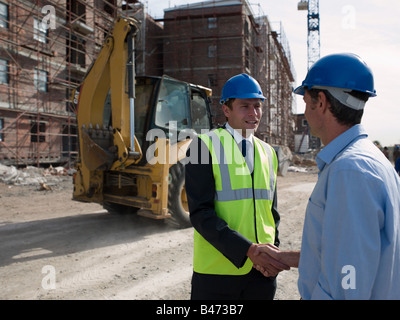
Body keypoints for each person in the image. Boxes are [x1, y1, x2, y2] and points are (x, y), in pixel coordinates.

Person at [256, 53, 400, 299]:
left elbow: (348, 282)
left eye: (305, 100)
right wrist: (287, 258)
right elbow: (353, 251)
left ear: (320, 102)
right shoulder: (372, 161)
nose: (304, 110)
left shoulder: (350, 171)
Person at [185, 73, 289, 300]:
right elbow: (201, 214)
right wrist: (247, 250)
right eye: (245, 106)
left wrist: (272, 253)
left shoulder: (268, 152)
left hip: (261, 274)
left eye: (257, 106)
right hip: (217, 275)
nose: (253, 113)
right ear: (226, 110)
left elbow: (271, 213)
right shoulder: (203, 147)